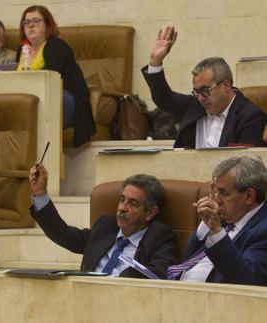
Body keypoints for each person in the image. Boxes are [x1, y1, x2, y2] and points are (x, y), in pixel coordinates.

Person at [29, 164, 177, 278]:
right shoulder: (106, 226)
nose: (122, 208)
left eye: (133, 203)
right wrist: (40, 194)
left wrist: (114, 282)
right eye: (122, 200)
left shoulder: (160, 237)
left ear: (150, 212)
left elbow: (157, 274)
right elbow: (63, 234)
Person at [142, 26, 266, 148]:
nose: (200, 98)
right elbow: (163, 97)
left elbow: (245, 164)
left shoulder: (250, 116)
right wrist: (155, 61)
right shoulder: (194, 106)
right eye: (196, 92)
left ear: (225, 85)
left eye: (205, 91)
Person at [167, 155, 267, 285]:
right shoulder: (225, 218)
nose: (216, 200)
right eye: (215, 191)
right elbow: (187, 260)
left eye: (224, 193)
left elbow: (247, 279)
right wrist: (206, 224)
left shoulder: (263, 230)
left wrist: (216, 231)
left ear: (249, 196)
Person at [16, 5, 95, 147]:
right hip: (33, 100)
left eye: (36, 21)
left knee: (46, 99)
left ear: (47, 25)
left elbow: (50, 80)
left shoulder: (56, 46)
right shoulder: (21, 50)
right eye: (26, 22)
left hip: (66, 99)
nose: (31, 25)